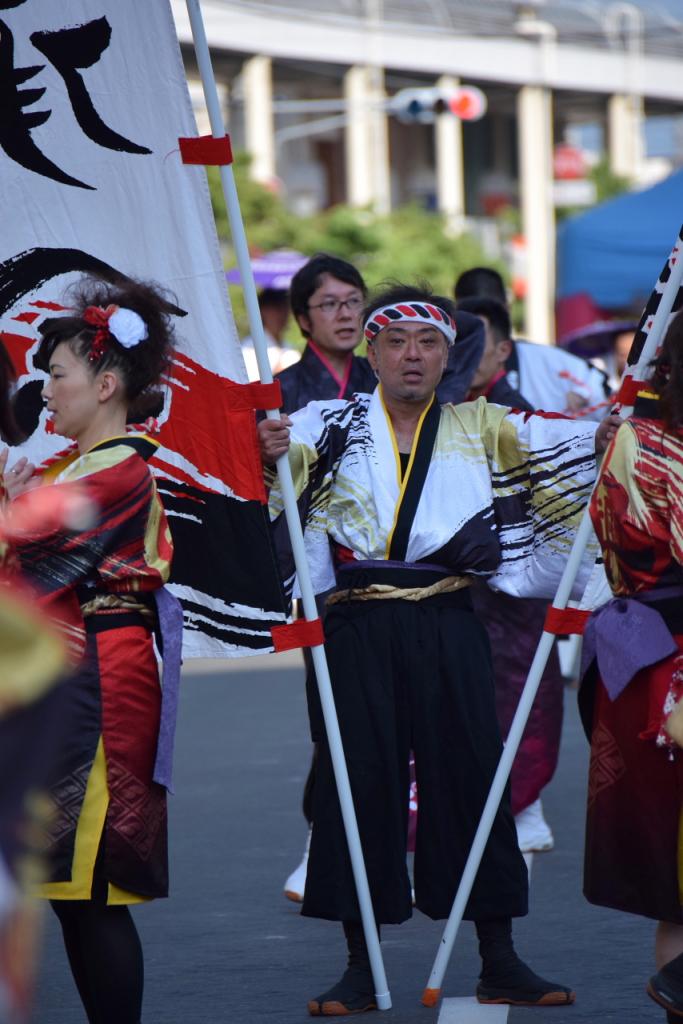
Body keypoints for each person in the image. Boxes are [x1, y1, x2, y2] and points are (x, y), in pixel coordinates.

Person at [260, 282, 620, 1016]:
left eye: (428, 342)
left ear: (447, 354)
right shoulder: (321, 423)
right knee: (356, 786)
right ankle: (360, 966)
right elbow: (265, 482)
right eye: (396, 342)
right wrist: (263, 451)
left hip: (452, 618)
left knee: (473, 780)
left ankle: (498, 957)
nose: (413, 355)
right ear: (373, 352)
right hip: (356, 627)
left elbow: (577, 439)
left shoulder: (483, 425)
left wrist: (624, 417)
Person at [8, 276, 179, 1024]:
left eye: (59, 374)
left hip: (98, 684)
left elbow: (28, 544)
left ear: (106, 384)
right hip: (72, 679)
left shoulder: (119, 470)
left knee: (93, 888)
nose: (46, 390)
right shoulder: (77, 469)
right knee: (71, 890)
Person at [578, 310, 683, 1023]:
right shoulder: (638, 447)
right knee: (670, 877)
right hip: (664, 671)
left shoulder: (632, 443)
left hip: (651, 663)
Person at [456, 295, 564, 853]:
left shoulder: (520, 414)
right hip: (456, 584)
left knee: (524, 693)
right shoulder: (440, 407)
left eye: (477, 342)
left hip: (514, 583)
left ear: (502, 350)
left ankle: (524, 802)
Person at [455, 266, 609, 416]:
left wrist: (585, 395)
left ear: (507, 309)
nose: (470, 350)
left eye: (480, 338)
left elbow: (603, 389)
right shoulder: (444, 370)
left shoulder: (548, 360)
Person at [276, 253, 377, 411]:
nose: (345, 314)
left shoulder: (381, 378)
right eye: (330, 304)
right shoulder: (280, 391)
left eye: (354, 301)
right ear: (304, 320)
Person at [241, 287, 300, 382]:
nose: (282, 315)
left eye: (285, 308)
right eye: (276, 309)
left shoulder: (288, 346)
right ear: (262, 310)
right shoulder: (249, 348)